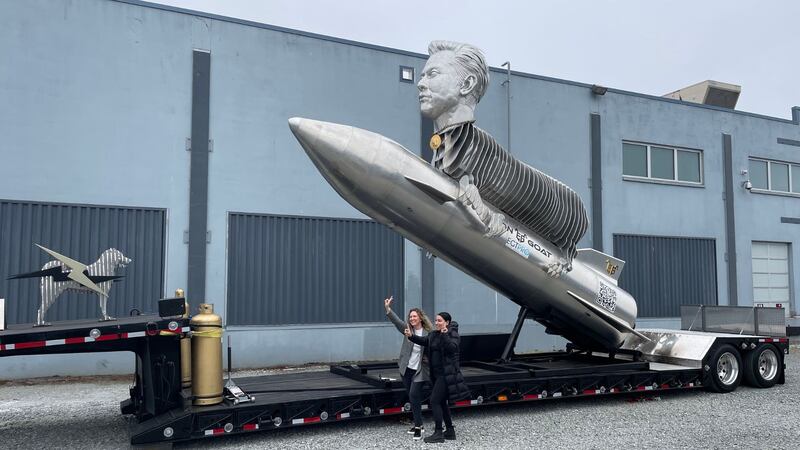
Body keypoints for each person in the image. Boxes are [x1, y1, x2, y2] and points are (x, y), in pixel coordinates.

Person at [417, 40, 588, 277]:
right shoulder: (445, 149)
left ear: (467, 84)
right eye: (422, 75)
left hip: (566, 214)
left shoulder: (476, 147)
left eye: (432, 74)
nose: (421, 83)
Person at [404, 311, 470, 443]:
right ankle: (450, 431)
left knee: (434, 401)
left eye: (440, 321)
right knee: (441, 402)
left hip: (446, 375)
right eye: (436, 320)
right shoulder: (434, 334)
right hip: (436, 375)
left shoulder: (453, 334)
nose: (436, 323)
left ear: (447, 322)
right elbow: (424, 341)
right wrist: (411, 336)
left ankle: (438, 432)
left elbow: (452, 348)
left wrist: (445, 334)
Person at [384, 296, 431, 441]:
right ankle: (419, 424)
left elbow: (434, 348)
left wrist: (428, 359)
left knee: (414, 395)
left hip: (420, 370)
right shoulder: (407, 330)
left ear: (420, 318)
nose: (412, 318)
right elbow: (397, 322)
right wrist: (388, 309)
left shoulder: (428, 333)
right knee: (412, 397)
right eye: (410, 316)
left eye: (414, 316)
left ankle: (418, 427)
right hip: (406, 369)